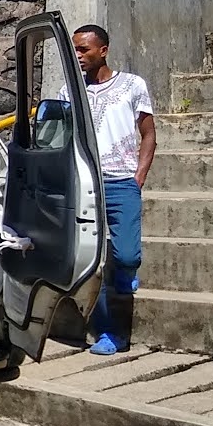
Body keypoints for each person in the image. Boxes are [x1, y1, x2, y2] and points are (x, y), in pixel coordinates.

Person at [74, 24, 157, 356]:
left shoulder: (132, 85)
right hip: (86, 185)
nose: (78, 55)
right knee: (93, 264)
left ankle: (125, 273)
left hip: (122, 181)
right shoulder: (71, 90)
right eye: (75, 49)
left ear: (103, 50)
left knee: (126, 256)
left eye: (84, 49)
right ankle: (110, 333)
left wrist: (139, 177)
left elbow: (148, 134)